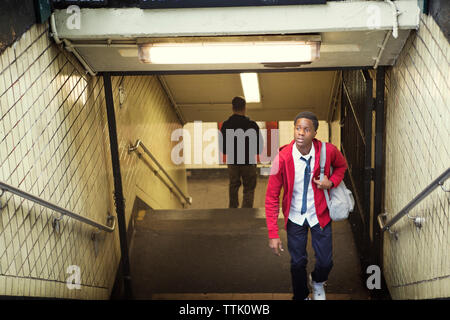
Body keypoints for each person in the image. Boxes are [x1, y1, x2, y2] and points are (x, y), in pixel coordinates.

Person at [265, 111, 348, 300]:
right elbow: (271, 196)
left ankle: (317, 281)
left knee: (326, 262)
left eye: (306, 129)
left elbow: (342, 166)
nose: (301, 133)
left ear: (314, 133)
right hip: (294, 216)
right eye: (297, 128)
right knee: (297, 263)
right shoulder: (282, 157)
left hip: (319, 213)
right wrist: (273, 233)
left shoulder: (328, 151)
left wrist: (331, 182)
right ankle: (301, 296)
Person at [220, 96, 262, 208]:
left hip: (233, 161)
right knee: (249, 187)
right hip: (248, 161)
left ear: (232, 107)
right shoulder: (252, 125)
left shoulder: (226, 125)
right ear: (245, 107)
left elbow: (223, 148)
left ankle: (233, 209)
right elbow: (259, 147)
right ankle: (246, 212)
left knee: (233, 184)